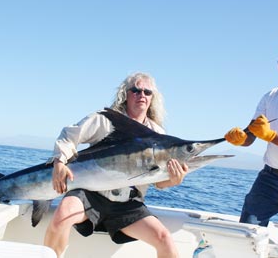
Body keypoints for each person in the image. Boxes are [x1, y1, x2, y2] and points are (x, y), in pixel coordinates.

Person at [44, 72, 188, 257]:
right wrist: (59, 161)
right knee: (61, 216)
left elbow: (158, 182)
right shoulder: (106, 119)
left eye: (147, 92)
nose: (141, 95)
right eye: (135, 90)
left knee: (164, 238)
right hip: (91, 194)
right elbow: (69, 135)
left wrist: (173, 180)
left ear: (152, 98)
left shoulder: (158, 134)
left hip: (127, 203)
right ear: (125, 94)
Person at [224, 40, 278, 244]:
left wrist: (271, 136)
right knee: (246, 234)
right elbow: (251, 135)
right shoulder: (270, 97)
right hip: (268, 179)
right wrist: (240, 138)